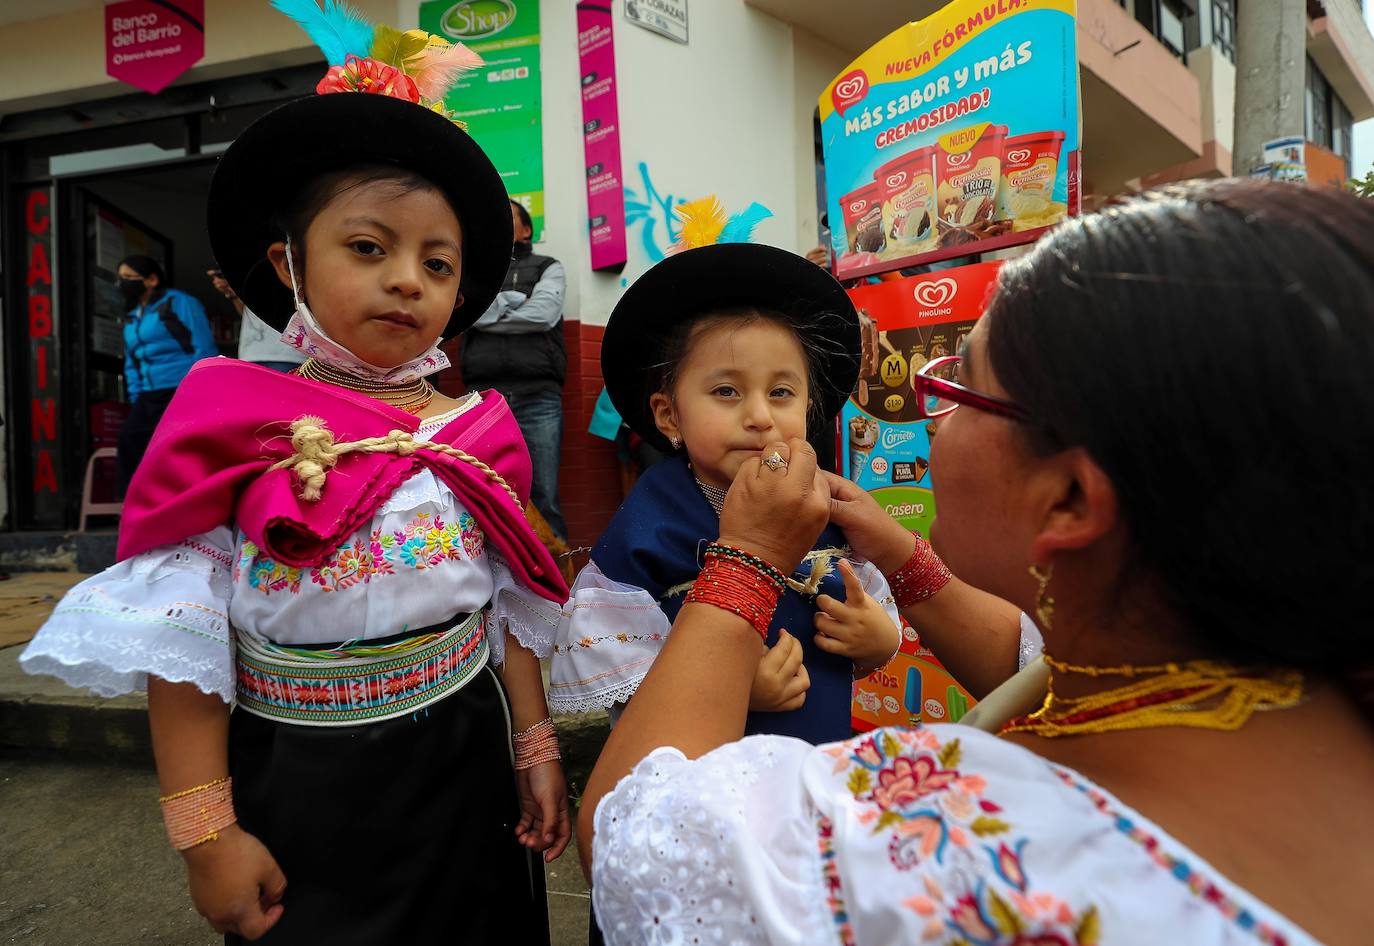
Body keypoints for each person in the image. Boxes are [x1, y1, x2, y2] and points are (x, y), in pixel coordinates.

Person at [576, 179, 1374, 945]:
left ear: (1070, 499)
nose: (934, 421)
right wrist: (898, 553)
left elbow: (636, 835)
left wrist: (749, 560)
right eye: (727, 393)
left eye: (961, 388)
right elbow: (1025, 663)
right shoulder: (1221, 685)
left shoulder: (922, 848)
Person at [22, 12, 570, 945]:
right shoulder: (228, 416)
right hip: (301, 781)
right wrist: (206, 833)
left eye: (438, 263)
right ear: (289, 264)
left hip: (466, 764)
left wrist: (535, 743)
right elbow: (184, 640)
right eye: (369, 247)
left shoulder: (476, 429)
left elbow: (507, 603)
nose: (408, 280)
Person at [549, 235, 904, 745]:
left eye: (781, 392)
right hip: (701, 763)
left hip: (816, 755)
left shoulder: (823, 503)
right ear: (669, 415)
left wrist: (877, 637)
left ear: (808, 409)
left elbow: (867, 596)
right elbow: (613, 668)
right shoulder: (651, 522)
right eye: (726, 391)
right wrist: (729, 686)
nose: (759, 416)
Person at [460, 200, 569, 539]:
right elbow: (465, 315)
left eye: (508, 218)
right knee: (480, 494)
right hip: (480, 399)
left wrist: (488, 315)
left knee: (544, 496)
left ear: (526, 230)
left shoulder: (548, 266)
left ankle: (557, 570)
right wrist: (516, 300)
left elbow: (543, 314)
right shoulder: (469, 271)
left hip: (539, 397)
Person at [115, 254, 219, 493]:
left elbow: (203, 346)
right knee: (130, 437)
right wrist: (136, 396)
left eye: (129, 277)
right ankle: (135, 500)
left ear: (151, 279)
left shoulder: (179, 302)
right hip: (149, 393)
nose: (123, 283)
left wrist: (202, 387)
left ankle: (182, 499)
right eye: (120, 278)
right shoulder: (132, 316)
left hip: (180, 388)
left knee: (175, 445)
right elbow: (132, 360)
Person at [209, 267, 305, 373]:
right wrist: (232, 293)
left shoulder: (288, 264)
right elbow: (247, 313)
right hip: (251, 353)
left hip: (286, 353)